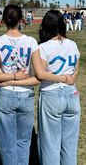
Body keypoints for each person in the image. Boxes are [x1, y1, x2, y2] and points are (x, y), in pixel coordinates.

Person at [0, 4, 40, 165]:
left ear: (4, 20)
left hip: (6, 92)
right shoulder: (31, 42)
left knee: (7, 141)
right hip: (26, 93)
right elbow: (37, 74)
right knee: (24, 140)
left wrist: (12, 79)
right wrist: (18, 77)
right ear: (21, 20)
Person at [32, 10, 80, 165]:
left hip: (52, 95)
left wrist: (63, 78)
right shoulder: (72, 44)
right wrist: (69, 78)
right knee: (69, 145)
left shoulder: (44, 47)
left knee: (49, 145)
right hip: (72, 95)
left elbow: (40, 74)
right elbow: (76, 68)